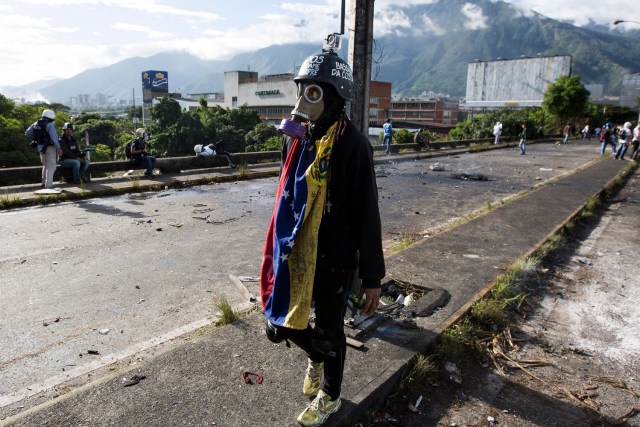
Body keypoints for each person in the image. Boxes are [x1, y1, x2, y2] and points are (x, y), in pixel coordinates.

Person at [260, 44, 385, 427]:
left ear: (334, 97)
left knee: (330, 327)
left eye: (313, 92)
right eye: (302, 89)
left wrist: (372, 279)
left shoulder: (353, 145)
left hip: (336, 257)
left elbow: (368, 213)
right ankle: (316, 354)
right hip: (296, 249)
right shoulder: (295, 138)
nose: (304, 100)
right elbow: (287, 195)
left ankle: (330, 395)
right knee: (276, 323)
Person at [25, 109, 61, 189]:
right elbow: (54, 138)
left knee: (45, 165)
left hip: (40, 147)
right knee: (51, 166)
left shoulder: (36, 123)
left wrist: (37, 139)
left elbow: (27, 132)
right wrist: (59, 148)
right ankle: (49, 185)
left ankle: (43, 183)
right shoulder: (50, 124)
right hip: (50, 147)